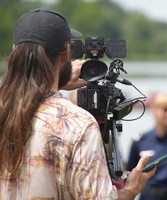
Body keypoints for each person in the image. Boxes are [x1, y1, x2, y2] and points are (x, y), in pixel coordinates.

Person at [0, 8, 155, 200]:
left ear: (15, 50)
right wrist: (131, 188)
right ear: (67, 52)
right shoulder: (77, 124)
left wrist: (58, 83)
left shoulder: (4, 109)